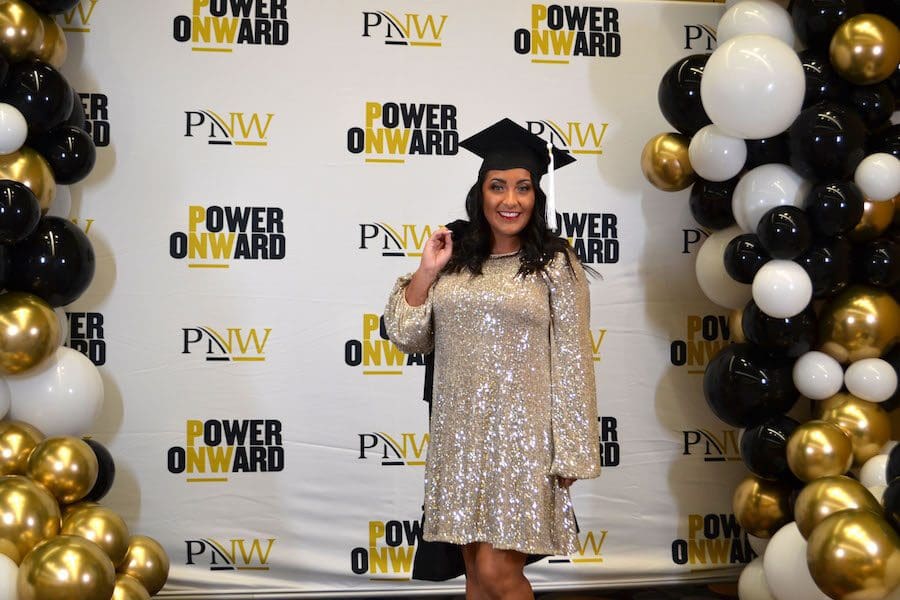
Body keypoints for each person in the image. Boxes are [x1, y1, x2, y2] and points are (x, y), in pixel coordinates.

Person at [384, 118, 600, 599]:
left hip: (522, 441)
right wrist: (426, 270)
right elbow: (407, 334)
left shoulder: (555, 264)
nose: (510, 199)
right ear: (480, 192)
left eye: (523, 188)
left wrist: (572, 449)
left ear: (536, 196)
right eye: (498, 186)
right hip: (458, 438)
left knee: (500, 573)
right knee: (478, 578)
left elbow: (573, 360)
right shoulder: (455, 259)